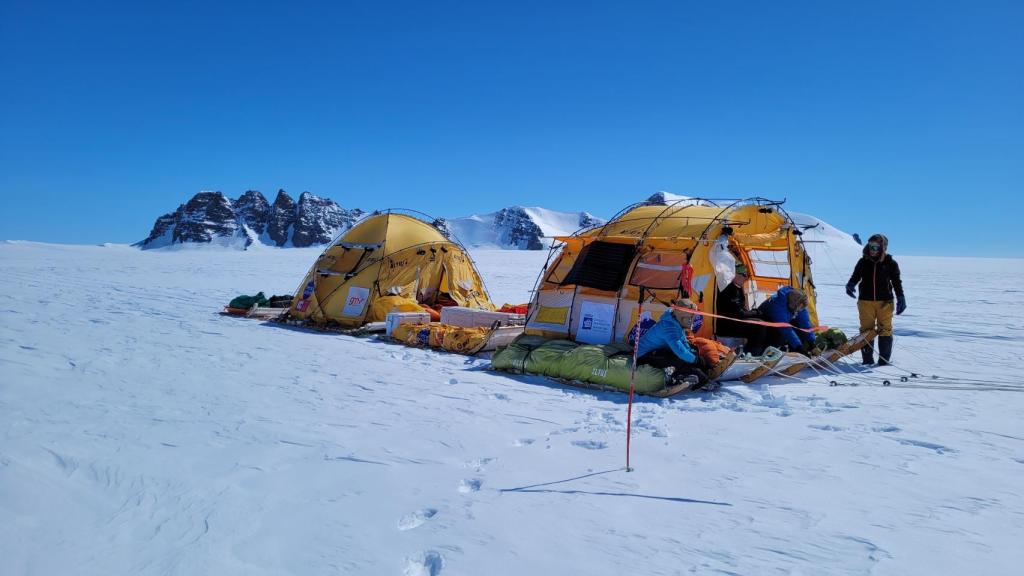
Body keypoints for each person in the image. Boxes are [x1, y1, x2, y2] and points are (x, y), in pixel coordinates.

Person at [846, 234, 905, 365]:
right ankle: (867, 361)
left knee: (885, 330)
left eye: (876, 247)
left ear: (883, 248)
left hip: (885, 302)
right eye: (871, 246)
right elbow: (855, 276)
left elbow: (896, 282)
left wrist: (901, 297)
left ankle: (883, 362)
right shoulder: (863, 262)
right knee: (866, 331)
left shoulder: (890, 263)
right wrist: (850, 285)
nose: (872, 249)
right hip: (865, 302)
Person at [635, 299, 709, 390]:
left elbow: (684, 343)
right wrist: (695, 360)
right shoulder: (668, 327)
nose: (691, 320)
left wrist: (696, 357)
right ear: (682, 316)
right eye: (689, 317)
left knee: (692, 349)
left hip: (656, 351)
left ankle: (693, 372)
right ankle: (681, 376)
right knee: (674, 359)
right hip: (642, 356)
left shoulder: (675, 322)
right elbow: (680, 350)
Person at [715, 262, 768, 355]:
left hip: (734, 321)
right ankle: (753, 353)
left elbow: (740, 311)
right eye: (743, 275)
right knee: (759, 325)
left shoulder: (737, 288)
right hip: (727, 325)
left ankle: (764, 349)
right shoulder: (728, 289)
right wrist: (756, 312)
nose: (745, 278)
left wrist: (755, 313)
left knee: (763, 321)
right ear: (735, 275)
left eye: (746, 275)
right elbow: (739, 313)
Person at [757, 286, 820, 355]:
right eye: (800, 308)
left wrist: (812, 343)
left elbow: (805, 323)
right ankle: (766, 353)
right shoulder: (777, 306)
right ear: (794, 304)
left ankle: (796, 352)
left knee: (799, 326)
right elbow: (786, 329)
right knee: (780, 335)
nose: (801, 310)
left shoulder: (800, 303)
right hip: (766, 322)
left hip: (783, 322)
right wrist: (798, 347)